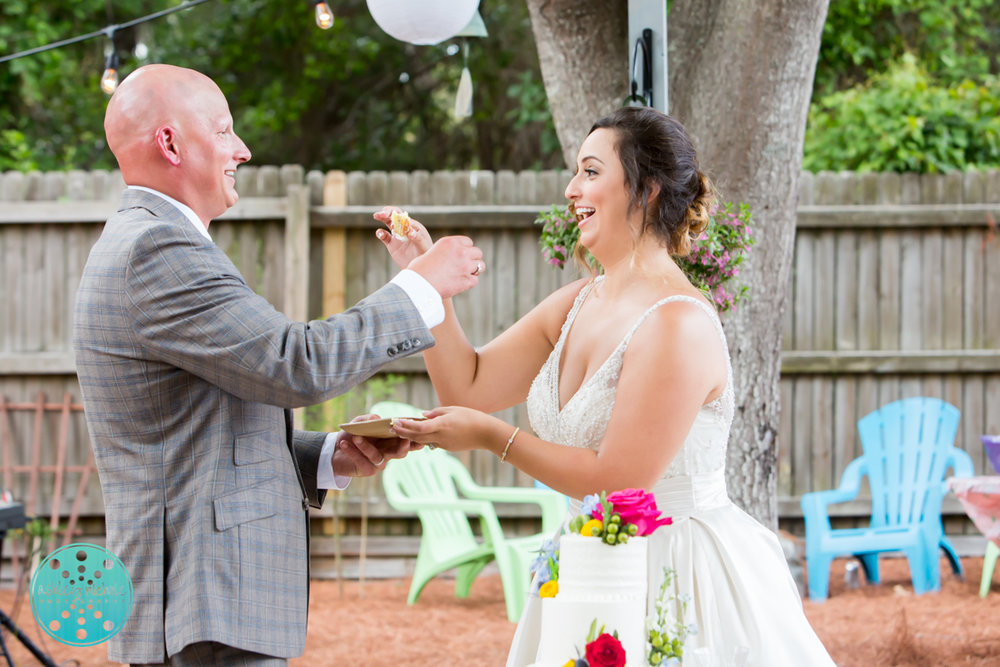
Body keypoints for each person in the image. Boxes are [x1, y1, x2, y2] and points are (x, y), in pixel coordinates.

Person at [384, 107, 835, 666]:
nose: (572, 188)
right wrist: (425, 284)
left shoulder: (678, 323)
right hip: (590, 565)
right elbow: (467, 385)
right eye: (576, 172)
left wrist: (492, 437)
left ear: (645, 190)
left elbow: (619, 482)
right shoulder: (576, 302)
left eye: (591, 172)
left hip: (679, 576)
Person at [72, 64, 485, 666]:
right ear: (170, 144)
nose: (241, 149)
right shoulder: (156, 248)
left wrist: (326, 457)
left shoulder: (151, 242)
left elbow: (193, 436)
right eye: (222, 132)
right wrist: (420, 289)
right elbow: (296, 364)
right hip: (203, 600)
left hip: (203, 602)